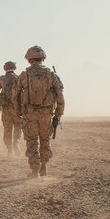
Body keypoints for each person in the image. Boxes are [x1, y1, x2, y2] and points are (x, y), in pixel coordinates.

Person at [13, 46, 65, 178]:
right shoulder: (51, 75)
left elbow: (15, 95)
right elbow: (60, 96)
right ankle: (44, 167)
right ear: (43, 57)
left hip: (29, 113)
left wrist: (18, 111)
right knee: (45, 139)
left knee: (31, 140)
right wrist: (58, 114)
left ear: (29, 59)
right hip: (46, 114)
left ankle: (34, 170)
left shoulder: (24, 75)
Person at [0, 62, 21, 156]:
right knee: (18, 126)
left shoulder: (1, 79)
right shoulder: (18, 77)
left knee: (7, 128)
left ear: (5, 68)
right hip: (17, 108)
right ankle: (16, 143)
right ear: (14, 68)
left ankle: (9, 149)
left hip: (6, 108)